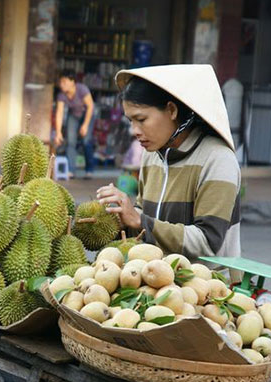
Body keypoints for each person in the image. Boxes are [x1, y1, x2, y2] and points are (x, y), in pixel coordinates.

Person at [96, 64, 241, 260]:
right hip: (153, 278)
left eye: (141, 119)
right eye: (131, 121)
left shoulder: (217, 159)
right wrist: (121, 217)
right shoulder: (152, 154)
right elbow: (144, 214)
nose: (134, 130)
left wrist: (139, 220)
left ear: (171, 110)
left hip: (205, 285)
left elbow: (207, 242)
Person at [54, 70, 95, 179]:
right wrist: (58, 133)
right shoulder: (61, 95)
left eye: (64, 82)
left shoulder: (82, 89)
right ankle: (71, 170)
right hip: (74, 115)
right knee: (71, 141)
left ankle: (89, 170)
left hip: (87, 114)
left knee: (86, 141)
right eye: (60, 82)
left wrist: (85, 125)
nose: (61, 84)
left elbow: (91, 106)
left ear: (72, 81)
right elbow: (59, 113)